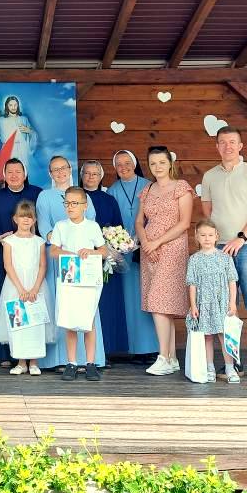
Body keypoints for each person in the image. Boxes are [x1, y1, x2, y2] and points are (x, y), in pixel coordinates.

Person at [200, 125, 247, 381]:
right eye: (223, 142)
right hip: (220, 250)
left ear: (240, 146)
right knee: (227, 307)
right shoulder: (209, 176)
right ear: (217, 146)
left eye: (232, 142)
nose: (228, 146)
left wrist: (241, 238)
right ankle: (234, 362)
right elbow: (208, 213)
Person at [36, 155, 104, 371]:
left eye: (63, 168)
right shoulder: (44, 196)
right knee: (64, 310)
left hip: (85, 265)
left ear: (70, 169)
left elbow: (91, 227)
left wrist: (87, 252)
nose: (60, 172)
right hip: (62, 265)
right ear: (50, 173)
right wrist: (65, 251)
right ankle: (63, 360)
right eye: (55, 169)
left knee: (87, 313)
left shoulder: (84, 196)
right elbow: (44, 227)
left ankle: (90, 360)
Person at [135, 145, 193, 377]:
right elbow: (139, 221)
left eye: (161, 162)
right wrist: (145, 243)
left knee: (160, 300)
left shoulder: (181, 187)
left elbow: (184, 223)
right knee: (161, 304)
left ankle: (163, 357)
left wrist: (157, 242)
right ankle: (172, 358)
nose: (157, 167)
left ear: (170, 163)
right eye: (153, 163)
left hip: (172, 248)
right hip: (149, 250)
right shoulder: (147, 189)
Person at [0, 158, 42, 366]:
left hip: (31, 257)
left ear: (25, 174)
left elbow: (43, 223)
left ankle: (31, 353)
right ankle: (5, 353)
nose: (14, 175)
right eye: (10, 172)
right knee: (2, 301)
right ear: (4, 175)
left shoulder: (37, 194)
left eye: (18, 171)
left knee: (31, 299)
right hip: (1, 255)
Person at [50, 186, 107, 382]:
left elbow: (104, 251)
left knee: (88, 321)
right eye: (67, 203)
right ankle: (72, 362)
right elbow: (53, 251)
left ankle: (90, 363)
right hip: (69, 279)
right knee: (71, 321)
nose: (70, 207)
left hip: (88, 281)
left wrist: (91, 252)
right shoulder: (60, 226)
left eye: (74, 203)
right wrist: (70, 254)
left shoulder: (92, 226)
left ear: (85, 205)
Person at [107, 150, 159, 362]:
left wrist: (142, 238)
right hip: (123, 253)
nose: (124, 167)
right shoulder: (112, 190)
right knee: (130, 300)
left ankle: (151, 348)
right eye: (119, 164)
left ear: (135, 163)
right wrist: (118, 241)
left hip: (146, 248)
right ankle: (133, 348)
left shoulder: (149, 186)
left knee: (148, 297)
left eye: (127, 163)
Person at [0, 200, 49, 376]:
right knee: (18, 324)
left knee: (35, 323)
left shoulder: (39, 241)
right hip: (15, 287)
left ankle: (34, 362)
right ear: (15, 219)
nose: (26, 220)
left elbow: (42, 266)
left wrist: (34, 289)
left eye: (29, 217)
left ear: (34, 220)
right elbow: (8, 265)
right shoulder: (8, 241)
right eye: (22, 216)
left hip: (36, 287)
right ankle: (20, 362)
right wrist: (20, 289)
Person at [81, 160, 128, 363]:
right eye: (87, 173)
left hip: (105, 259)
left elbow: (118, 227)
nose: (91, 177)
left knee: (105, 305)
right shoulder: (77, 197)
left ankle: (105, 351)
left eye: (95, 174)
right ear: (81, 175)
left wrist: (114, 247)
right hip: (83, 257)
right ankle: (85, 354)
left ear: (101, 177)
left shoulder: (109, 200)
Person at [186, 219, 240, 384]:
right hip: (203, 304)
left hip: (221, 303)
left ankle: (230, 368)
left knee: (224, 336)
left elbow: (232, 281)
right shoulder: (194, 259)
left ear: (217, 236)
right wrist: (193, 305)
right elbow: (192, 284)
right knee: (207, 336)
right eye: (203, 235)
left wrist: (232, 303)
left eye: (210, 235)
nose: (207, 238)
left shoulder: (225, 257)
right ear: (197, 237)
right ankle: (209, 368)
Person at [0, 94, 36, 180]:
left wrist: (29, 131)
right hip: (8, 149)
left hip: (23, 149)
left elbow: (33, 135)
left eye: (15, 105)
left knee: (24, 173)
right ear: (7, 106)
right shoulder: (1, 120)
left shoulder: (24, 119)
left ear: (18, 105)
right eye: (10, 105)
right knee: (8, 173)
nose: (13, 107)